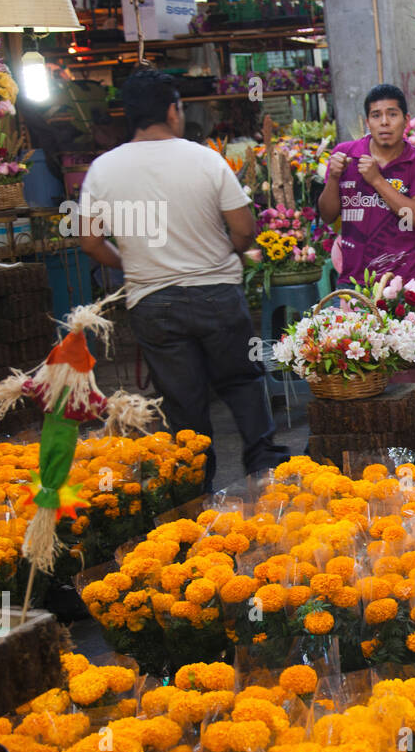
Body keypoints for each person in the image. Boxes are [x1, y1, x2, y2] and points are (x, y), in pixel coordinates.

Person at [80, 69, 290, 488]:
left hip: (153, 304)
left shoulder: (103, 169)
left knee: (183, 401)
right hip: (217, 294)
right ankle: (264, 470)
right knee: (243, 382)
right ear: (173, 111)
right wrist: (225, 251)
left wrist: (132, 263)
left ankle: (196, 488)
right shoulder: (205, 159)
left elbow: (89, 241)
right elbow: (245, 229)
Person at [317, 83, 415, 426]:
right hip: (355, 284)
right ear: (366, 122)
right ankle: (370, 447)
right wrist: (333, 179)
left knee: (408, 370)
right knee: (359, 368)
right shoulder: (346, 154)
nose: (384, 122)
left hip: (405, 287)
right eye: (376, 115)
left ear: (405, 120)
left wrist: (376, 180)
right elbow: (328, 215)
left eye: (392, 114)